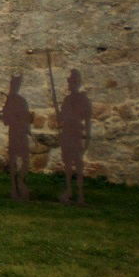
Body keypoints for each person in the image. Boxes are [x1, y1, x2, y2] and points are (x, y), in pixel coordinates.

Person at [58, 69, 92, 204]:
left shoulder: (84, 100)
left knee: (78, 164)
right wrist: (59, 115)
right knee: (67, 164)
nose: (71, 84)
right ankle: (69, 191)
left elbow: (87, 120)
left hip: (76, 134)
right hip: (66, 134)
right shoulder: (67, 99)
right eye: (70, 82)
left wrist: (87, 138)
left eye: (73, 82)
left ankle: (80, 194)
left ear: (77, 83)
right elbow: (62, 117)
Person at [1, 74, 30, 201]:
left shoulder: (21, 101)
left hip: (21, 132)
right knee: (13, 160)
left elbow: (26, 117)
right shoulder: (9, 101)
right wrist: (8, 115)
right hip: (14, 133)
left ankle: (21, 182)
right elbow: (6, 120)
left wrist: (23, 123)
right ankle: (14, 187)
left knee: (25, 160)